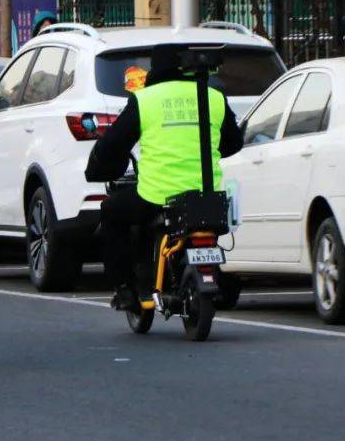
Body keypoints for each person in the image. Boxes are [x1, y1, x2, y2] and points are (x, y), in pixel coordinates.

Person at [85, 44, 243, 310]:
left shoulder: (146, 99)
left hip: (157, 195)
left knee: (112, 211)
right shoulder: (213, 96)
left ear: (155, 68)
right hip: (207, 195)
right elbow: (233, 143)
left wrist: (103, 165)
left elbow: (114, 143)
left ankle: (124, 289)